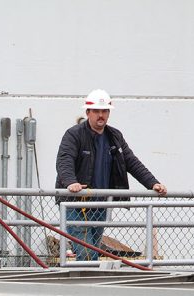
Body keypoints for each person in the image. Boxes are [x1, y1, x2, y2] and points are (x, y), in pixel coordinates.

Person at [55, 89, 167, 261]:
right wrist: (71, 182)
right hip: (74, 204)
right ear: (88, 112)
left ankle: (86, 284)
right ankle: (87, 284)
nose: (101, 115)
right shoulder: (74, 134)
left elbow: (131, 162)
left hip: (100, 205)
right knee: (87, 252)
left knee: (93, 250)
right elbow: (64, 160)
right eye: (97, 111)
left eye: (105, 111)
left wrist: (152, 183)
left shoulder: (114, 136)